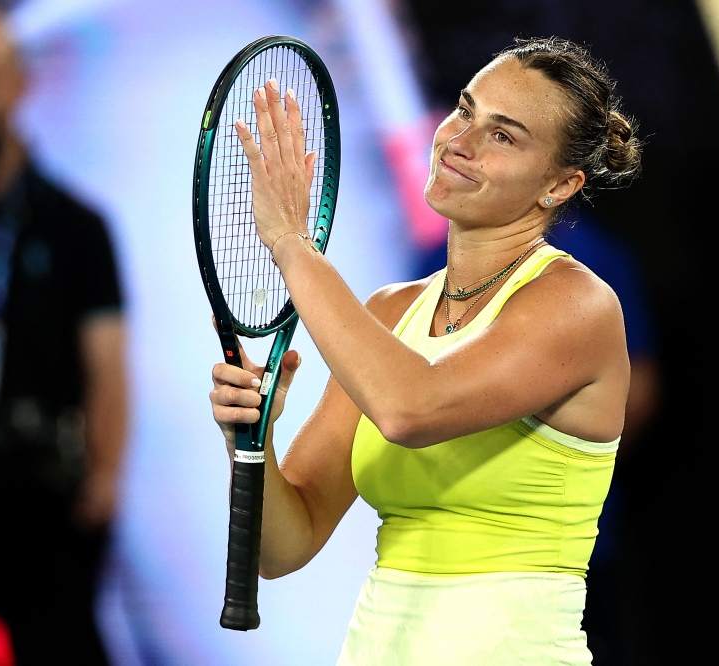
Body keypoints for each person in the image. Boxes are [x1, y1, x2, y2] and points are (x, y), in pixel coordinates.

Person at [210, 37, 640, 664]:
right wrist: (253, 441)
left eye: (504, 136)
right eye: (465, 110)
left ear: (559, 185)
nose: (460, 141)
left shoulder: (578, 306)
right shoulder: (390, 313)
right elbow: (283, 547)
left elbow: (410, 409)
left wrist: (291, 244)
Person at [0, 4, 127, 664]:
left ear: (18, 83)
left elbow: (107, 363)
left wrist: (104, 476)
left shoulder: (75, 225)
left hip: (44, 494)